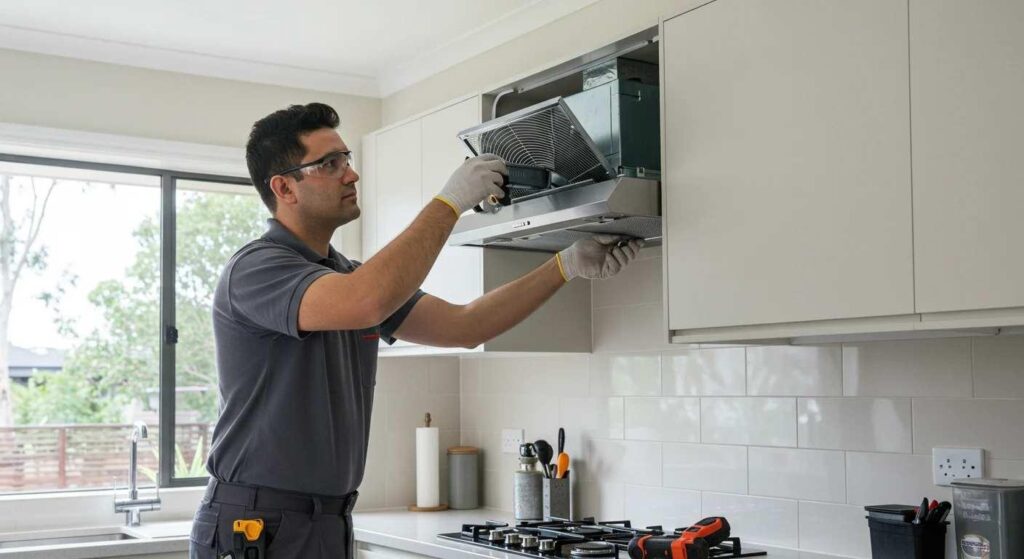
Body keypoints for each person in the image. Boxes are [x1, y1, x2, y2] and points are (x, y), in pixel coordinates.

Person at [188, 102, 643, 558]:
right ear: (284, 187)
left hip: (328, 521)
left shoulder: (347, 275)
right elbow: (365, 301)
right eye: (330, 164)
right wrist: (449, 203)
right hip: (255, 527)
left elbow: (467, 325)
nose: (351, 174)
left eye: (347, 159)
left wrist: (564, 265)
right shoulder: (257, 269)